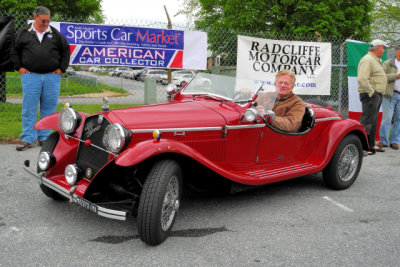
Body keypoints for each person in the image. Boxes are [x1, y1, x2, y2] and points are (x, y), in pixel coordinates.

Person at [11, 6, 70, 151]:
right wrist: (19, 68)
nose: (46, 24)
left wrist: (61, 69)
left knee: (49, 109)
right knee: (29, 109)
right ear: (35, 17)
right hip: (30, 77)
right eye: (43, 21)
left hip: (52, 77)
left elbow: (66, 50)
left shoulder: (55, 34)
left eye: (48, 21)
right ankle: (28, 138)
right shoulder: (24, 33)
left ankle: (45, 138)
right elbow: (14, 51)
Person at [357, 39, 388, 154]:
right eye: (383, 47)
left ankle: (370, 145)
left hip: (376, 94)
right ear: (378, 47)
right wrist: (371, 92)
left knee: (373, 120)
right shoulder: (368, 59)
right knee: (367, 120)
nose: (384, 50)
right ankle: (361, 147)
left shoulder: (375, 60)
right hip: (371, 94)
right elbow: (362, 78)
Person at [377, 44, 400, 150]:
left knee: (399, 119)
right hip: (390, 94)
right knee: (387, 118)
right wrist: (397, 76)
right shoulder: (388, 63)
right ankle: (384, 141)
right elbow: (382, 76)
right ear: (396, 51)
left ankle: (395, 141)